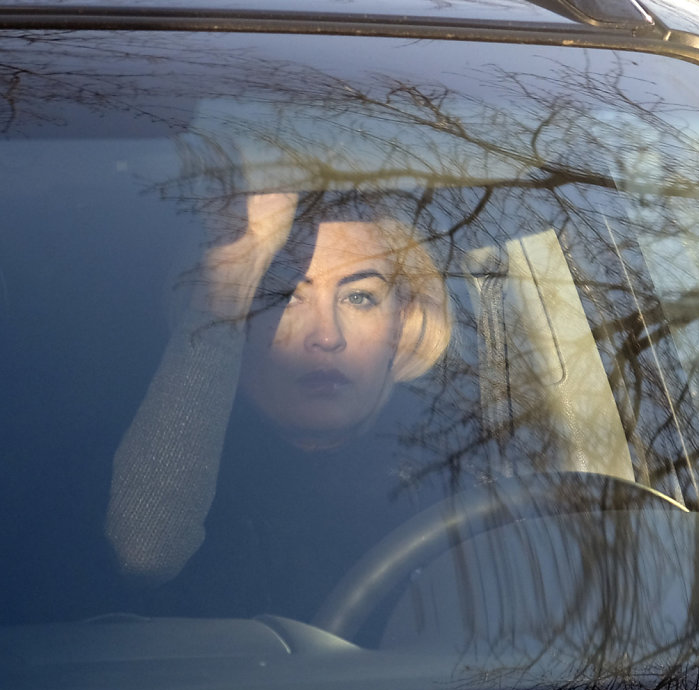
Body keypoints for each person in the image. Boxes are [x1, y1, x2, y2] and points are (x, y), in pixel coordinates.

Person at [106, 190, 453, 622]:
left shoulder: (466, 468)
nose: (327, 336)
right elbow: (143, 553)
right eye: (282, 297)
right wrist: (225, 288)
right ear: (231, 321)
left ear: (404, 319)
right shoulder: (149, 468)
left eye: (359, 297)